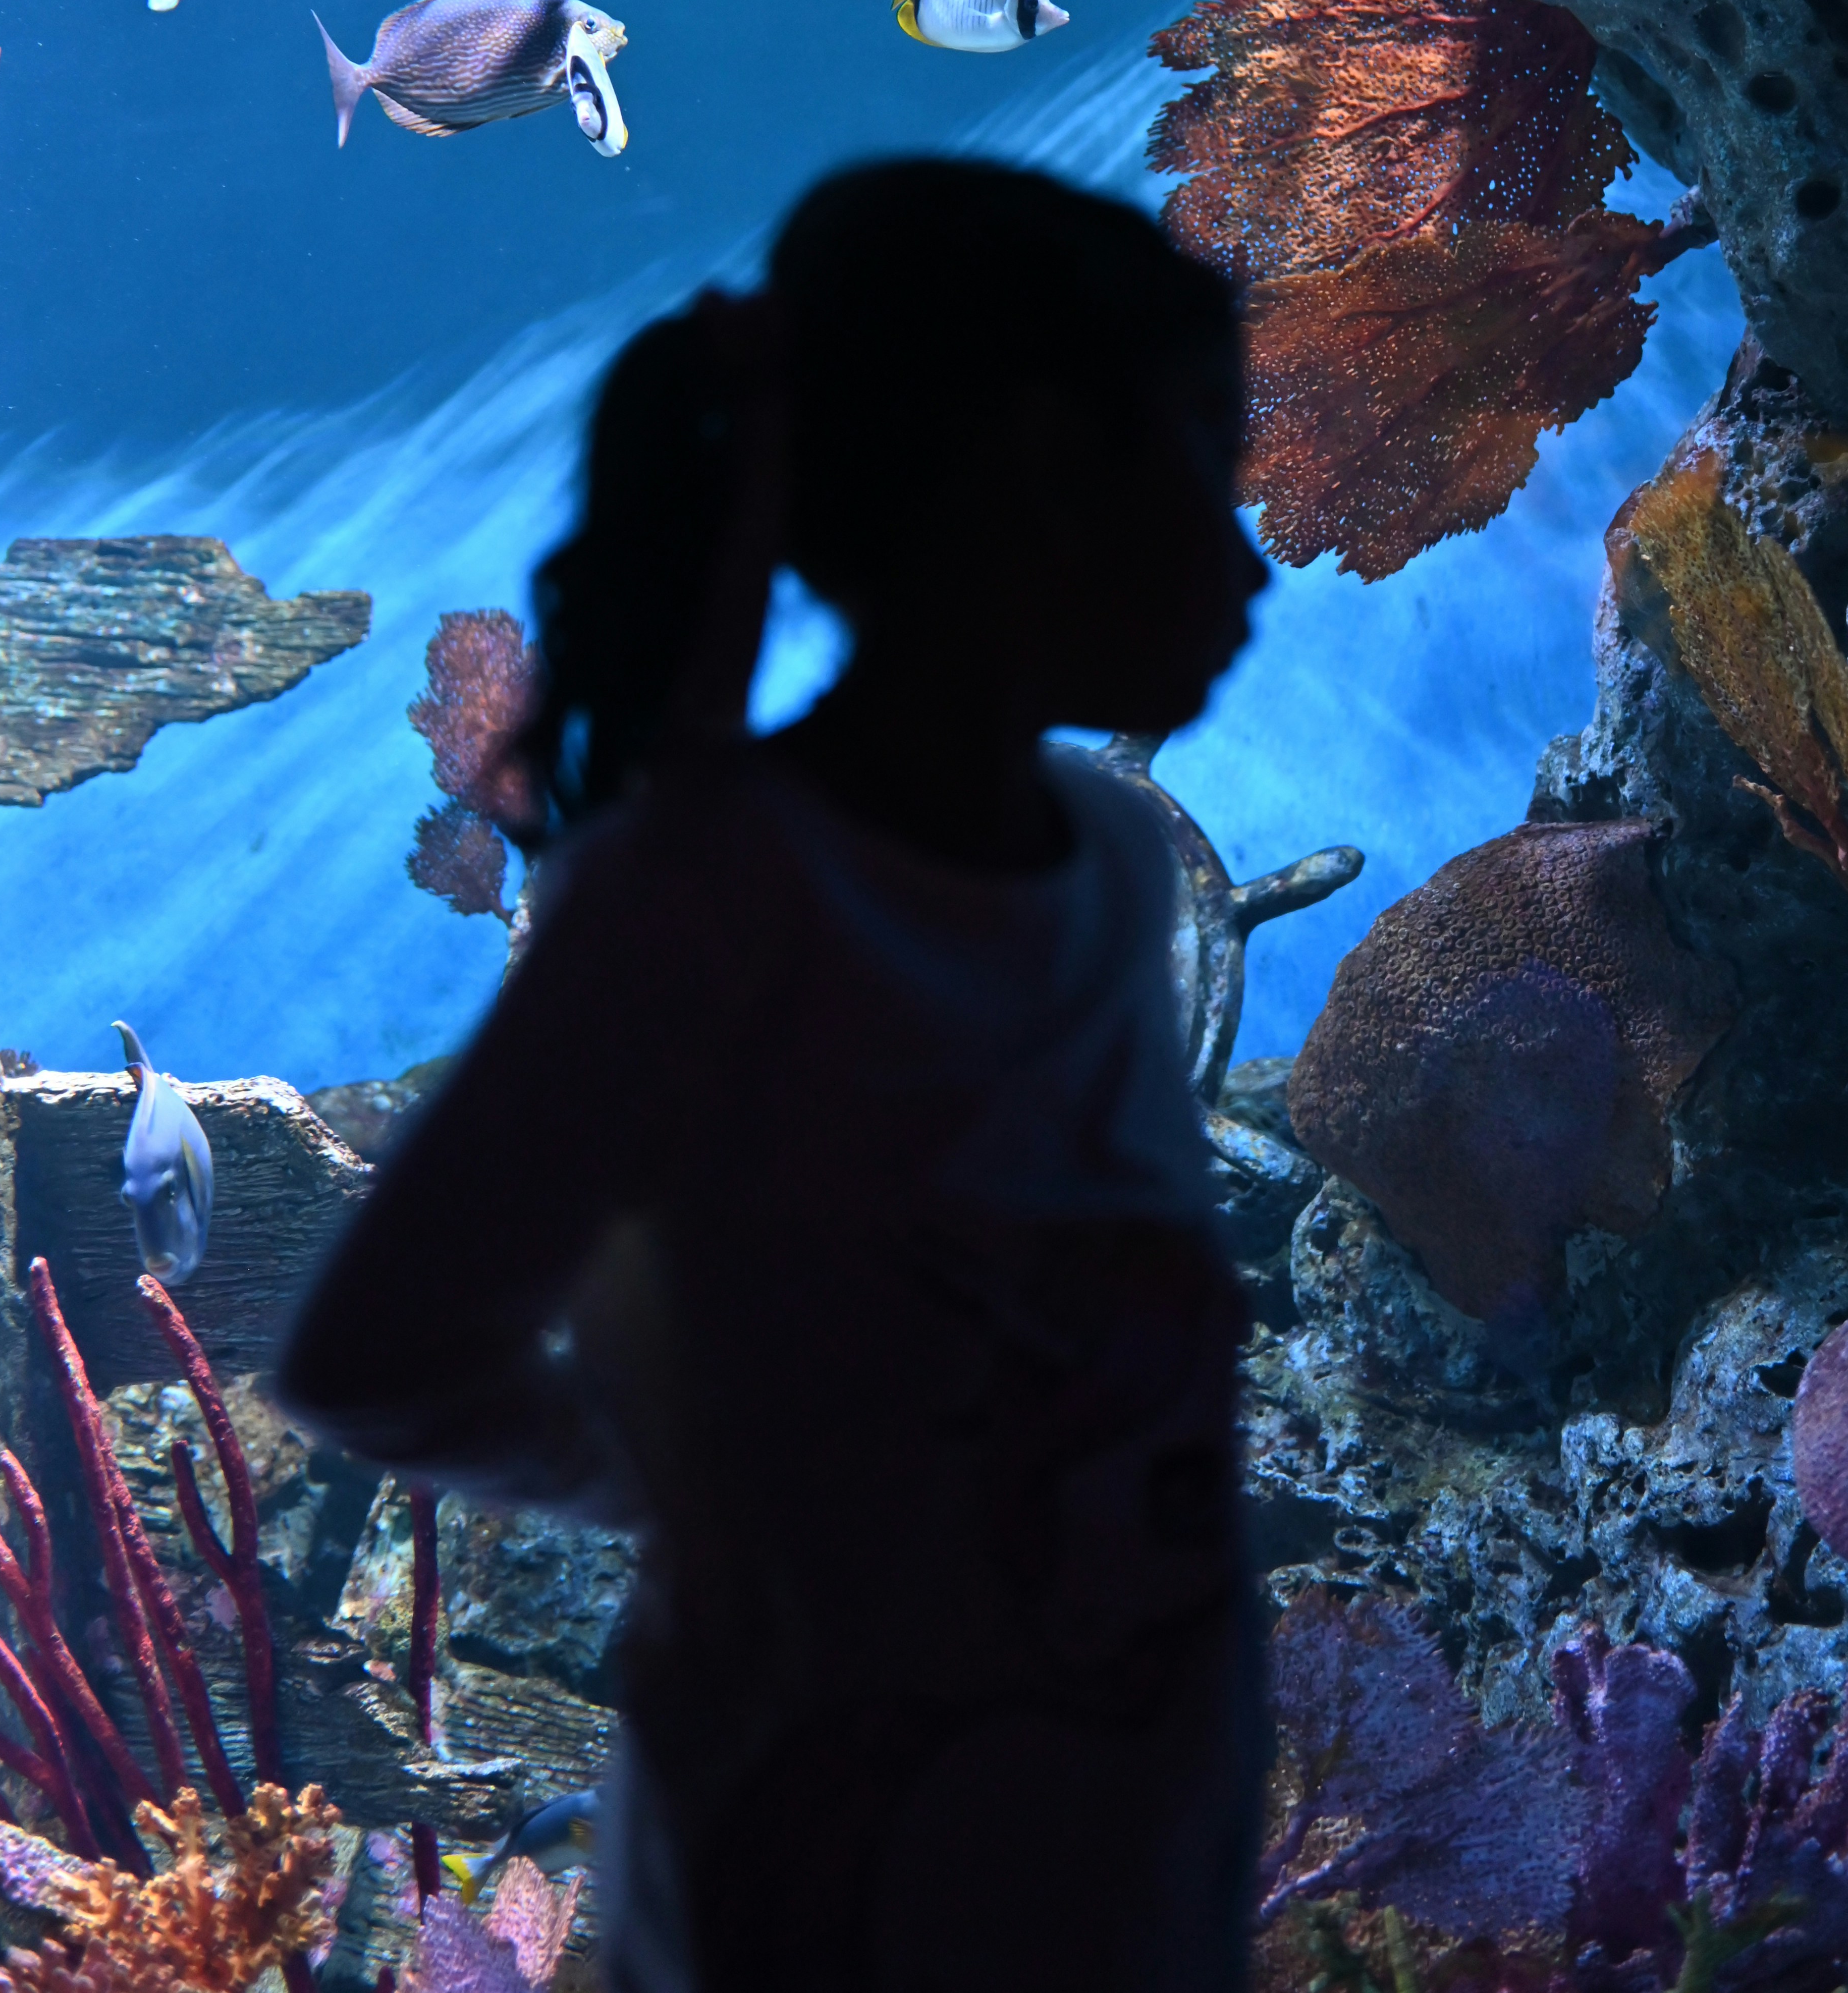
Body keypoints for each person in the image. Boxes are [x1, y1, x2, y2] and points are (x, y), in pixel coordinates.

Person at [278, 155, 1272, 1993]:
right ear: (1029, 488)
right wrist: (709, 1483)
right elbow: (377, 1355)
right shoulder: (709, 900)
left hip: (1124, 1872)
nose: (1250, 558)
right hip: (809, 1899)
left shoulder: (1112, 868)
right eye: (1200, 477)